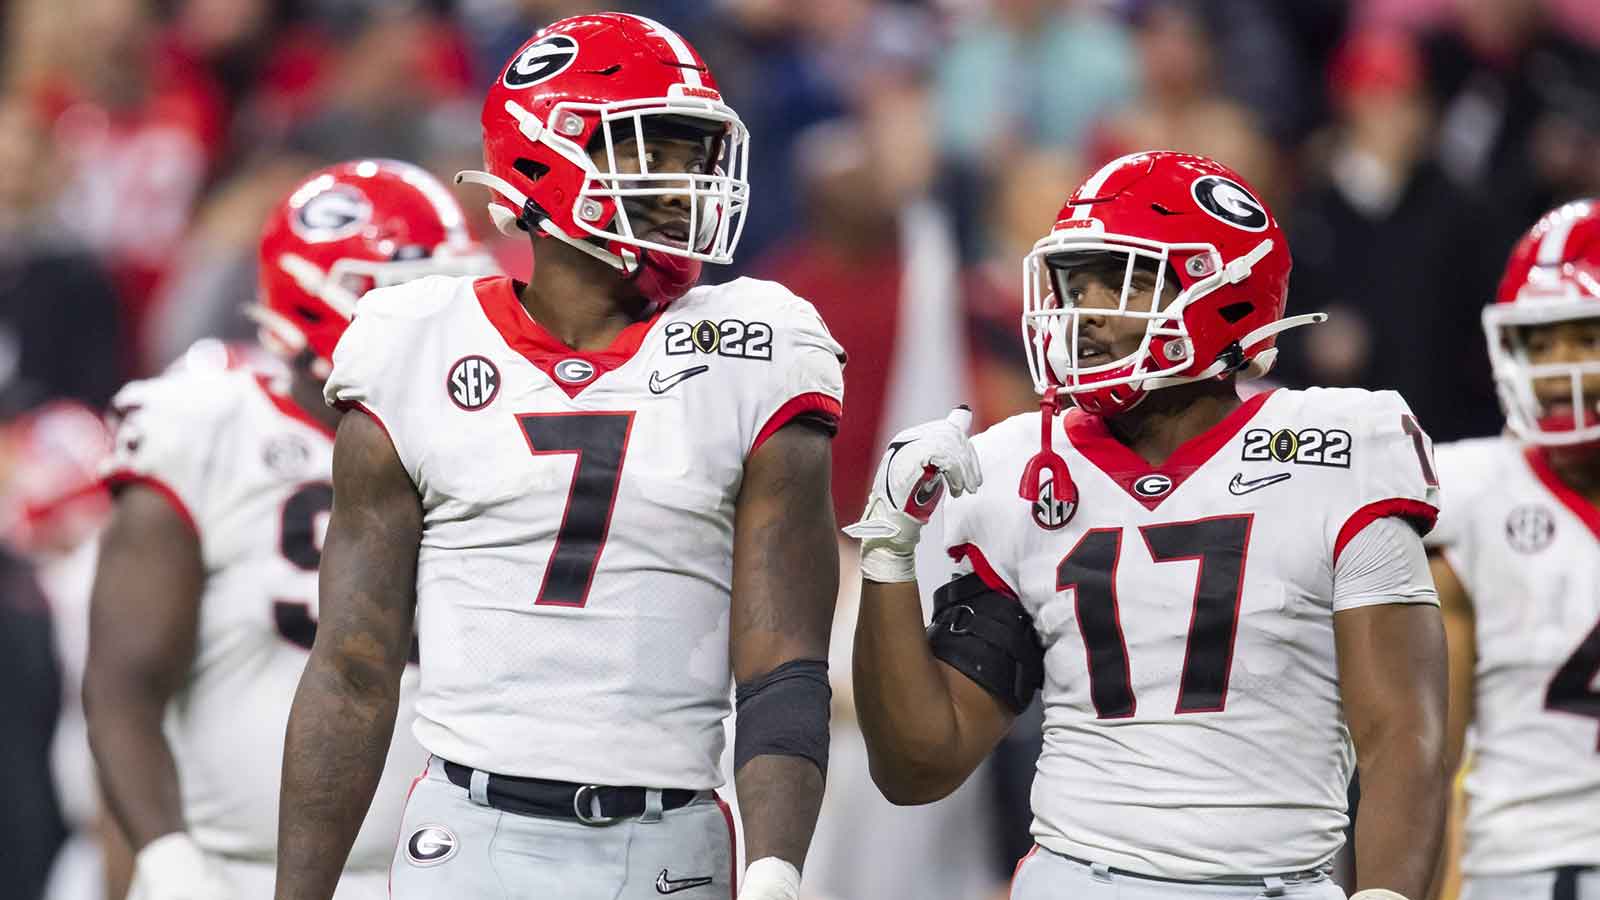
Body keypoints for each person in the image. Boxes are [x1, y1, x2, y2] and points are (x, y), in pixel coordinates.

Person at [273, 14, 845, 900]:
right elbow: (352, 668)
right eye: (655, 152)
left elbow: (784, 663)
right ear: (547, 158)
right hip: (467, 832)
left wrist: (775, 870)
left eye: (697, 157)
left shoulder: (757, 343)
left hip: (672, 837)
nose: (690, 186)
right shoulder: (413, 341)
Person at [846, 151, 1450, 900]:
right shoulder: (1018, 465)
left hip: (1277, 883)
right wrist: (888, 552)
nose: (1087, 311)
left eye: (1122, 281)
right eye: (1075, 285)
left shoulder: (1337, 448)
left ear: (1220, 290)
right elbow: (918, 765)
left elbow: (1404, 734)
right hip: (1077, 879)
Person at [84, 158, 498, 900]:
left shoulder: (487, 429)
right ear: (317, 299)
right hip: (235, 873)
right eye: (411, 294)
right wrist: (169, 863)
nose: (444, 324)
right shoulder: (207, 426)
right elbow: (123, 685)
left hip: (449, 870)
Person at [1426, 199, 1600, 900]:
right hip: (1529, 861)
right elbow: (1430, 760)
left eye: (1584, 339)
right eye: (1540, 343)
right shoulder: (1467, 494)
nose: (1559, 370)